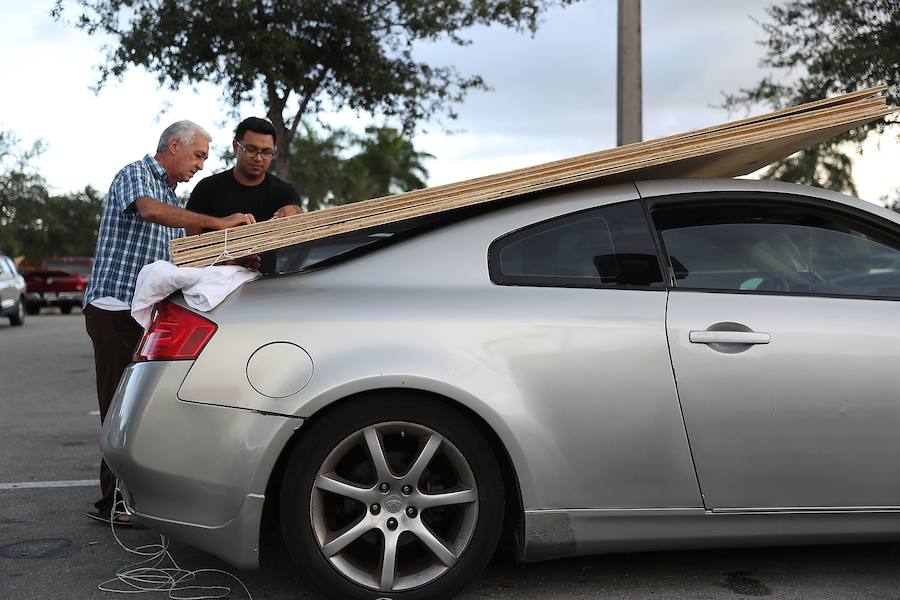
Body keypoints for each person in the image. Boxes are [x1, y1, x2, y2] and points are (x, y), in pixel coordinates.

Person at [83, 120, 255, 526]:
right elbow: (148, 211)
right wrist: (218, 223)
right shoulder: (137, 176)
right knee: (118, 406)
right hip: (113, 309)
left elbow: (176, 259)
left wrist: (233, 259)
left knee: (140, 405)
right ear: (173, 146)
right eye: (197, 155)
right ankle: (113, 503)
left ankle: (133, 497)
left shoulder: (168, 194)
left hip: (140, 313)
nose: (199, 165)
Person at [186, 117, 302, 272]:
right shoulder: (207, 188)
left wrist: (295, 212)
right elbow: (189, 249)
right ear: (235, 147)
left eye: (267, 152)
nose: (259, 158)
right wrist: (226, 262)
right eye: (251, 150)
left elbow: (297, 216)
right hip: (212, 285)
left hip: (265, 287)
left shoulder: (284, 191)